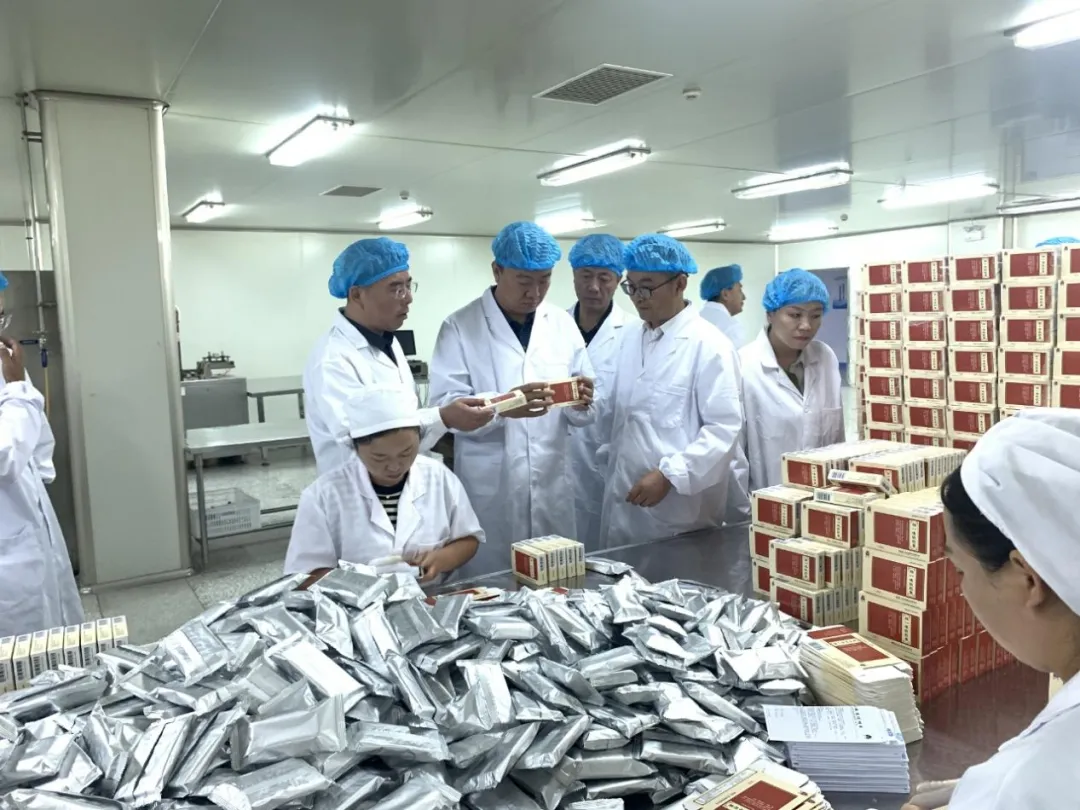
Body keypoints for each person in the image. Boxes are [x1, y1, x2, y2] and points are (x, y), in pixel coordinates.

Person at [901, 408, 1080, 810]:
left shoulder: (1029, 784)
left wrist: (994, 791)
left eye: (961, 570)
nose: (962, 590)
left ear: (1027, 579)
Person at [428, 221, 595, 575]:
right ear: (497, 271)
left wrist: (584, 401)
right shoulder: (460, 326)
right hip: (492, 483)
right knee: (491, 583)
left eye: (544, 280)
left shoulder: (562, 324)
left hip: (552, 478)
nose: (535, 292)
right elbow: (446, 407)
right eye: (524, 281)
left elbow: (585, 400)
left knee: (557, 578)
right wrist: (505, 406)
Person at [598, 234, 744, 549]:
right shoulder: (628, 339)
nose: (637, 297)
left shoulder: (710, 346)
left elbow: (724, 430)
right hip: (625, 502)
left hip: (679, 512)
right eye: (631, 287)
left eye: (647, 287)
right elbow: (619, 410)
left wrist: (670, 475)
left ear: (680, 284)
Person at [303, 237, 493, 476]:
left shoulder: (388, 341)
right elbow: (361, 439)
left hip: (403, 481)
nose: (408, 298)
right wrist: (443, 418)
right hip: (358, 489)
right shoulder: (333, 359)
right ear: (357, 294)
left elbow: (405, 415)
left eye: (408, 286)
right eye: (396, 289)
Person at [284, 384, 483, 584]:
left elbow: (468, 539)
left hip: (432, 596)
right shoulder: (324, 496)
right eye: (380, 457)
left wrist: (442, 559)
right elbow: (304, 575)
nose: (395, 466)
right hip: (357, 601)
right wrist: (363, 580)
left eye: (406, 452)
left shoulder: (438, 477)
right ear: (355, 447)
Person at [0, 336, 83, 637]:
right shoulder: (11, 374)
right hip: (9, 538)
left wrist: (38, 471)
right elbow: (5, 457)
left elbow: (36, 431)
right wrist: (16, 387)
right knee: (23, 648)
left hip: (28, 513)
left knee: (55, 635)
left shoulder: (6, 362)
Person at [740, 269, 843, 491]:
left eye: (815, 315)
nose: (806, 325)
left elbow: (838, 441)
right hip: (765, 498)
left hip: (822, 498)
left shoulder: (825, 358)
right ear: (770, 314)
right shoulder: (743, 366)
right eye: (795, 315)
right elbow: (735, 456)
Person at [567, 234, 631, 551]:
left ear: (618, 280)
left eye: (604, 278)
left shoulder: (633, 332)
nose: (593, 287)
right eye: (585, 276)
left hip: (605, 464)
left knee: (601, 552)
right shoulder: (553, 327)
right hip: (557, 461)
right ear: (573, 276)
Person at [699, 264, 747, 348]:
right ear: (725, 294)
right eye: (739, 290)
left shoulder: (694, 320)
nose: (744, 297)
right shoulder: (731, 328)